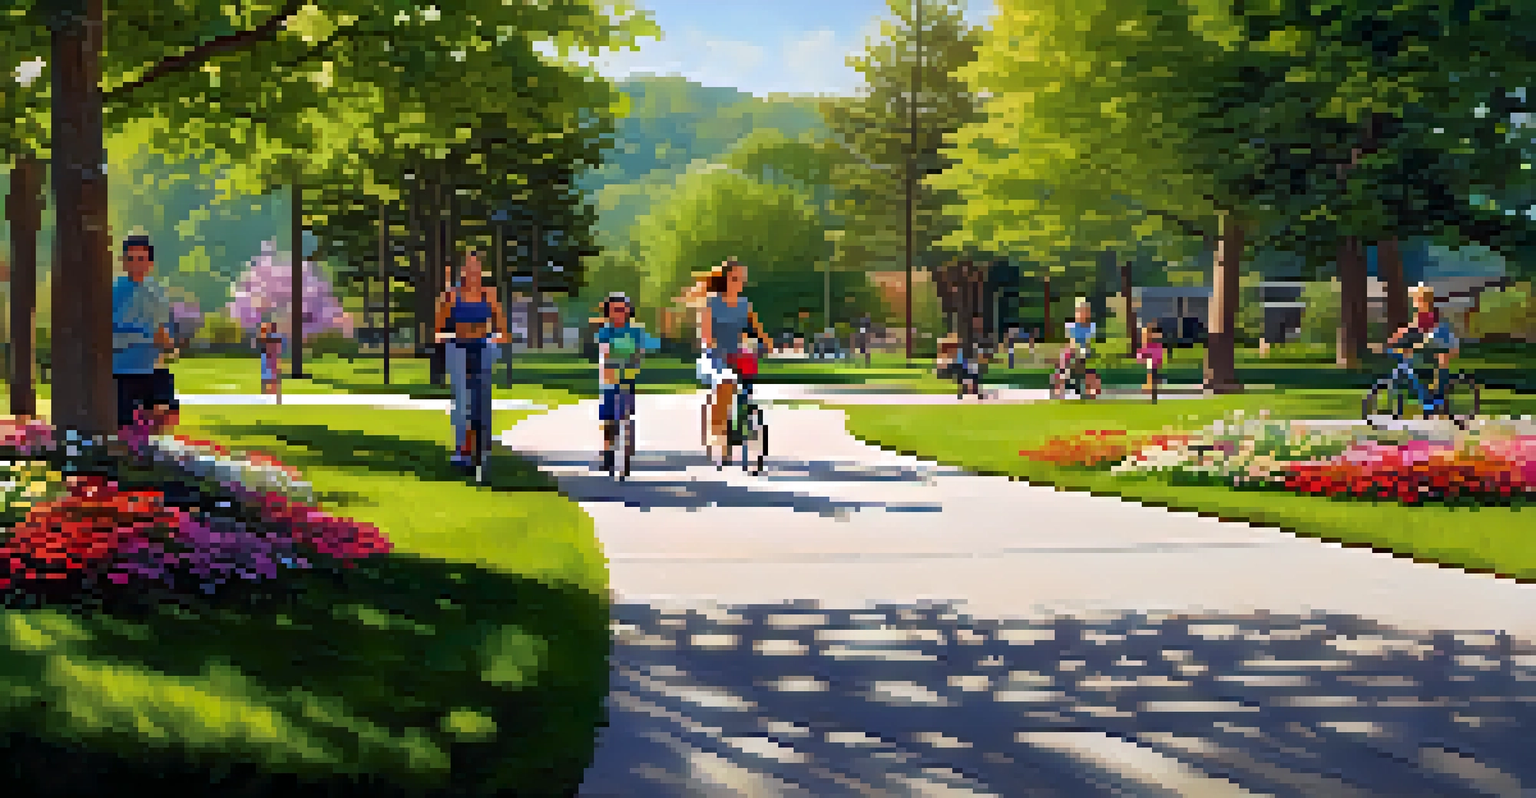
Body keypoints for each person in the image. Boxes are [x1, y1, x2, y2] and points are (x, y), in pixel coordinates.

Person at [682, 257, 773, 465]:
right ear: (725, 280)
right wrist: (713, 346)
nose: (739, 282)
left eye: (742, 279)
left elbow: (758, 331)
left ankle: (743, 418)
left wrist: (768, 345)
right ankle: (718, 431)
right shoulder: (710, 303)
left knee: (745, 385)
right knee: (725, 382)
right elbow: (705, 334)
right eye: (735, 278)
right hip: (713, 356)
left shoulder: (744, 304)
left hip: (736, 355)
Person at [433, 251, 507, 469]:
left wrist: (495, 339)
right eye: (468, 267)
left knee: (482, 397)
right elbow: (438, 330)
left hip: (483, 346)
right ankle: (461, 450)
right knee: (462, 400)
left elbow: (502, 329)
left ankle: (483, 447)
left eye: (476, 268)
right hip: (458, 346)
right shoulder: (451, 296)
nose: (472, 272)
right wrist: (449, 337)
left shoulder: (489, 295)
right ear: (462, 272)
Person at [112, 232, 179, 431]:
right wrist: (146, 337)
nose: (136, 264)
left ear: (150, 263)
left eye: (141, 259)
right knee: (124, 430)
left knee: (164, 419)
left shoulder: (158, 293)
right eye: (131, 259)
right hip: (121, 371)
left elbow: (162, 331)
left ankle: (155, 456)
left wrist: (168, 345)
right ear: (123, 262)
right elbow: (108, 337)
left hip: (152, 369)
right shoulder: (114, 293)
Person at [594, 292, 659, 472]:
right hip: (609, 375)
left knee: (626, 409)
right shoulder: (606, 331)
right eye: (616, 310)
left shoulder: (635, 330)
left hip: (628, 373)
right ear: (609, 312)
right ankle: (608, 453)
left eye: (623, 309)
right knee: (608, 418)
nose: (620, 313)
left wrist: (640, 355)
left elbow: (644, 346)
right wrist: (607, 359)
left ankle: (627, 435)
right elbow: (604, 349)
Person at [1387, 283, 1458, 410]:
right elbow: (1412, 328)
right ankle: (1429, 398)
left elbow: (1426, 331)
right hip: (1432, 344)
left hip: (1440, 344)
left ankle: (1434, 399)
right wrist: (1399, 336)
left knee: (1431, 368)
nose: (1414, 301)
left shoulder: (1430, 314)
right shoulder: (1422, 314)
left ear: (1423, 300)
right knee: (1414, 368)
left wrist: (1406, 337)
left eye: (1416, 298)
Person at [1057, 298, 1102, 397]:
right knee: (1066, 358)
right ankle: (1061, 386)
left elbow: (1091, 342)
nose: (1083, 314)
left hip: (1087, 352)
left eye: (1086, 312)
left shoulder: (1092, 326)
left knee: (1089, 362)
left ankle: (1090, 388)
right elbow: (1070, 341)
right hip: (1074, 352)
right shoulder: (1071, 326)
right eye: (1081, 311)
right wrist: (1076, 349)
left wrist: (1084, 349)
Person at [1135, 323, 1166, 402]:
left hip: (1154, 365)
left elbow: (1158, 355)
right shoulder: (1149, 345)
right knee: (1152, 380)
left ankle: (1154, 397)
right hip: (1150, 364)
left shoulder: (1156, 345)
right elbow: (1142, 354)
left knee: (1154, 381)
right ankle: (1153, 396)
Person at [257, 321, 285, 404]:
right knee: (268, 378)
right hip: (269, 358)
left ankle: (274, 397)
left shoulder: (273, 337)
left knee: (272, 378)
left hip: (271, 358)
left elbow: (275, 348)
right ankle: (268, 396)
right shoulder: (270, 337)